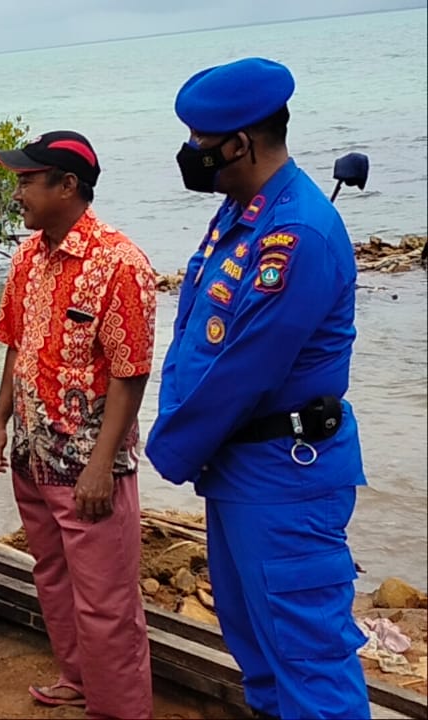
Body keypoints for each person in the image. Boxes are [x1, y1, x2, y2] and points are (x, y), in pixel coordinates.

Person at [147, 58, 370, 720]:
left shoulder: (294, 233)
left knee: (307, 659)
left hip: (285, 475)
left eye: (199, 141)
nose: (191, 153)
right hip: (240, 468)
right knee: (258, 652)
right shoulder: (243, 209)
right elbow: (200, 329)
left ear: (239, 144)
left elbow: (246, 369)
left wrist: (168, 450)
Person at [0, 132, 156, 718]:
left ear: (67, 186)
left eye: (28, 181)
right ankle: (79, 678)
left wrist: (101, 466)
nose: (18, 193)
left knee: (107, 601)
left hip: (88, 465)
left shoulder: (121, 264)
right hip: (33, 454)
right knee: (52, 576)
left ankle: (121, 708)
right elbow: (16, 345)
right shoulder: (27, 258)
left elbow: (131, 374)